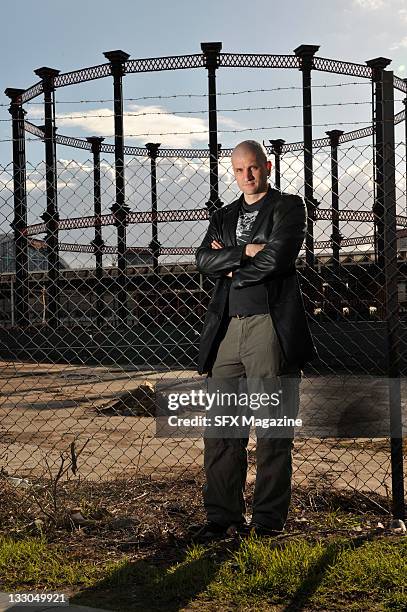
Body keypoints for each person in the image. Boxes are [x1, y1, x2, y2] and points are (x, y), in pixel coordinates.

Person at [194, 140, 316, 540]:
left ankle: (266, 522)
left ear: (267, 165)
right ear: (234, 172)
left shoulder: (288, 207)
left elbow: (278, 258)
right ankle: (222, 517)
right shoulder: (225, 215)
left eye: (253, 168)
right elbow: (203, 260)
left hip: (269, 325)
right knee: (223, 429)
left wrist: (231, 266)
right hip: (228, 327)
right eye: (239, 170)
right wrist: (246, 250)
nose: (247, 176)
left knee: (272, 430)